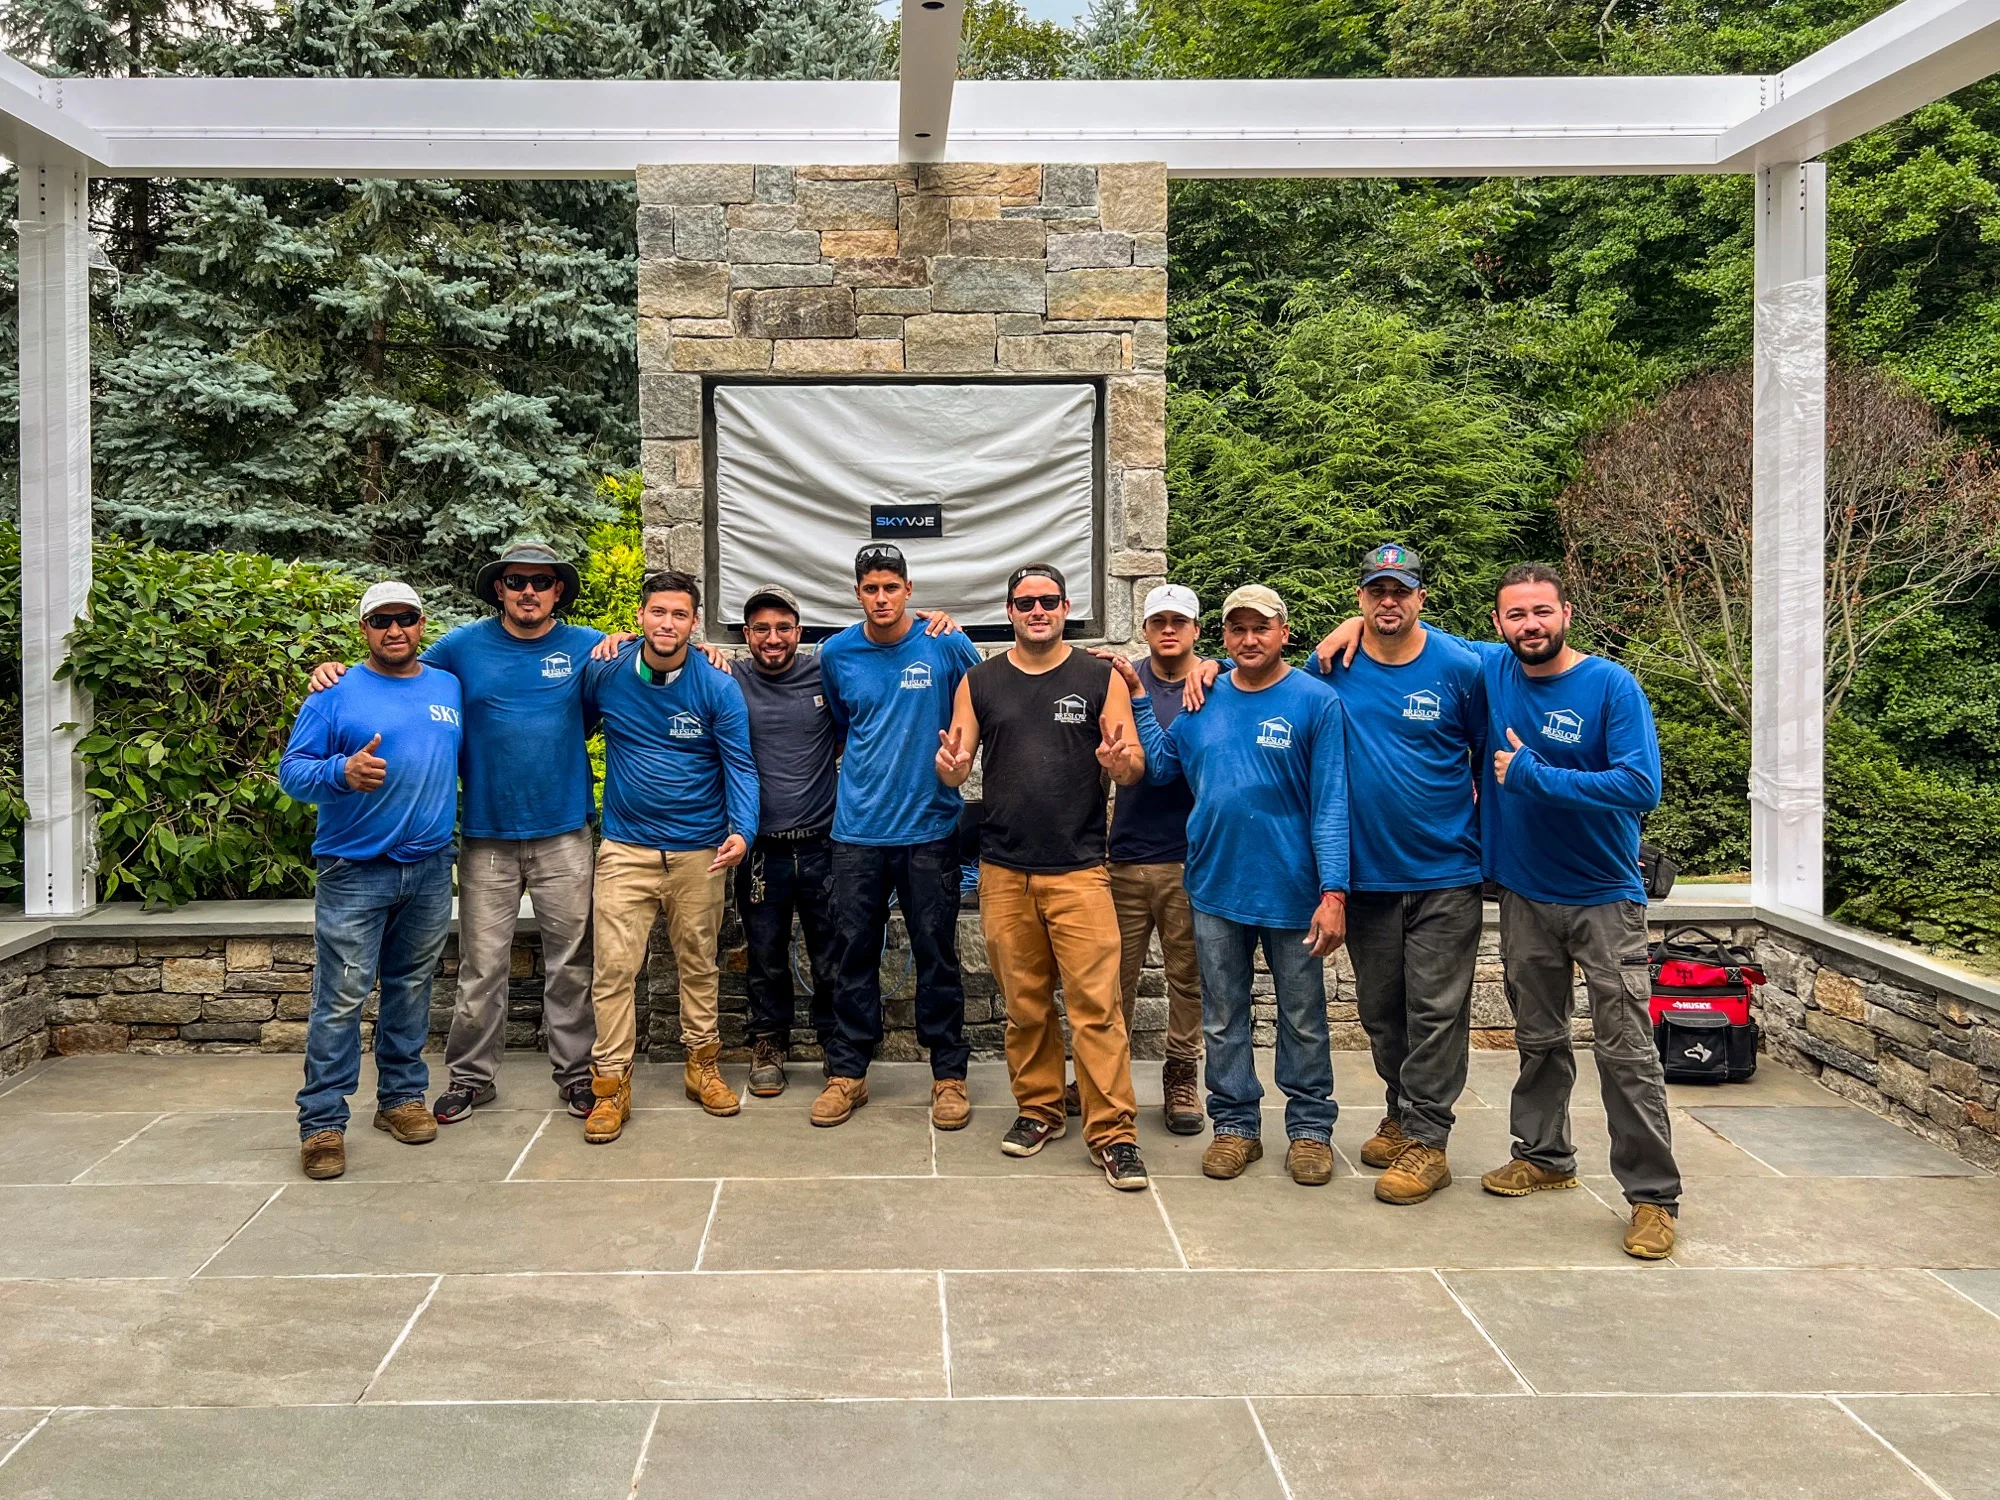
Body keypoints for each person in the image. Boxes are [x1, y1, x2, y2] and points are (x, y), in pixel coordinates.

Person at [1317, 562, 1682, 1258]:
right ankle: (1545, 1156)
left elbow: (1641, 785)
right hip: (1520, 891)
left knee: (1626, 1050)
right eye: (1516, 615)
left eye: (1542, 612)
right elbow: (1403, 637)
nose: (1530, 625)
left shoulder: (1609, 685)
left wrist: (1535, 775)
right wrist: (1352, 626)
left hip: (1604, 896)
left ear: (1566, 614)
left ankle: (1652, 1198)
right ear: (1498, 625)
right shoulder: (1492, 670)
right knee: (1539, 1040)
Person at [306, 541, 620, 1127]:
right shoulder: (460, 648)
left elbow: (658, 656)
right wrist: (334, 672)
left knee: (572, 964)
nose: (529, 590)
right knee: (481, 967)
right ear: (498, 589)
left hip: (565, 834)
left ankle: (578, 1076)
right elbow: (397, 673)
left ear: (558, 591)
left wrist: (704, 647)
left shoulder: (587, 647)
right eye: (516, 580)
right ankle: (473, 1078)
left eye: (541, 581)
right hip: (485, 837)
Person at [1126, 585, 1350, 1187]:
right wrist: (1144, 702)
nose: (1249, 640)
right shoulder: (1204, 697)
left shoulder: (1315, 702)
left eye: (1261, 628)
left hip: (1293, 892)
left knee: (1302, 1016)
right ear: (1223, 636)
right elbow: (1166, 768)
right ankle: (1235, 1127)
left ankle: (1309, 1130)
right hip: (1214, 886)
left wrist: (1335, 894)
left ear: (1284, 633)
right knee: (1223, 1017)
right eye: (1237, 630)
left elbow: (1332, 803)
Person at [937, 564, 1150, 1190]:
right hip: (1004, 872)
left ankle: (1114, 1134)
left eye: (1048, 601)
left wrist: (1122, 762)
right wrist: (950, 768)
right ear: (1009, 610)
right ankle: (1039, 1109)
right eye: (1025, 601)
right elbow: (957, 767)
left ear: (1066, 607)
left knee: (1097, 1009)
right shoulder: (981, 680)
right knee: (1025, 1008)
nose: (1037, 610)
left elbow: (1133, 765)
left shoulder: (1098, 676)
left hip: (1081, 872)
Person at [1303, 544, 1484, 1206]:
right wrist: (1205, 668)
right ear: (1360, 599)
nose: (1388, 601)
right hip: (1368, 876)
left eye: (1400, 591)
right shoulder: (1330, 667)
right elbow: (1265, 683)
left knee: (1437, 1011)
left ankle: (1428, 1142)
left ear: (1419, 599)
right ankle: (1401, 1110)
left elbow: (1492, 746)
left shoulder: (1461, 669)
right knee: (1383, 1013)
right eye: (1376, 591)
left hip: (1446, 873)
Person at [279, 581, 462, 1181]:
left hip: (431, 866)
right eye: (380, 620)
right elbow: (293, 773)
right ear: (364, 629)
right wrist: (341, 771)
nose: (394, 630)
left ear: (421, 623)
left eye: (405, 619)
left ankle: (401, 1100)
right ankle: (322, 1124)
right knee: (339, 1000)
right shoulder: (334, 695)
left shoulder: (446, 685)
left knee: (410, 988)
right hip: (354, 869)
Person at [577, 570, 759, 1143]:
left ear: (694, 622)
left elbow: (741, 765)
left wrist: (744, 830)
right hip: (626, 849)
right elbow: (569, 724)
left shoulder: (717, 685)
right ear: (640, 616)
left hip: (699, 850)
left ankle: (702, 1066)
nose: (668, 623)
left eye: (680, 615)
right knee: (612, 970)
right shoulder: (605, 672)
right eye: (658, 612)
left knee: (699, 964)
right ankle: (610, 1085)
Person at [811, 543, 984, 1133]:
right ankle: (848, 1073)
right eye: (870, 589)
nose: (881, 598)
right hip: (857, 831)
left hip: (931, 828)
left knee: (938, 956)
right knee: (851, 954)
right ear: (857, 593)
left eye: (891, 587)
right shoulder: (837, 652)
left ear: (909, 589)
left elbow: (979, 710)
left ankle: (949, 1076)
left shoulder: (945, 644)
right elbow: (841, 725)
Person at [1102, 583, 1209, 1136]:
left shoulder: (1216, 685)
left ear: (1195, 629)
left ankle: (1181, 1075)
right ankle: (1105, 1076)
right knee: (1111, 981)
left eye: (1179, 622)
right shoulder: (1120, 682)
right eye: (1158, 621)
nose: (1169, 630)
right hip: (1124, 859)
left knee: (1186, 981)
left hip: (1190, 862)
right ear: (1145, 629)